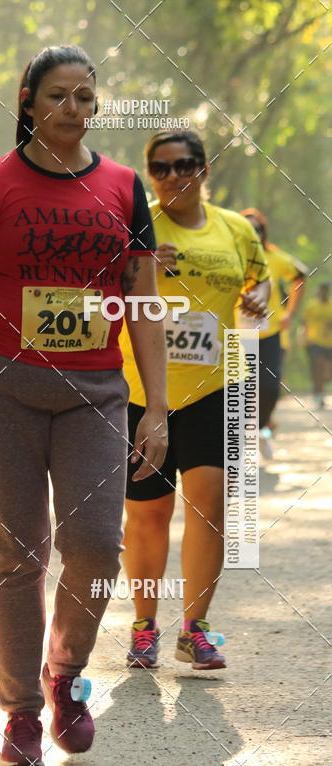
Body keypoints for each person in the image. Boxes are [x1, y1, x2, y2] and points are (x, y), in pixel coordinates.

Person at [0, 45, 168, 766]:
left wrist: (158, 409)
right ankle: (21, 714)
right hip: (1, 391)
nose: (72, 111)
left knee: (93, 545)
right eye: (57, 96)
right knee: (18, 556)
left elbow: (143, 301)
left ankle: (65, 674)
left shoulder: (122, 188)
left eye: (85, 97)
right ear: (27, 101)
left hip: (96, 393)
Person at [119, 130, 270, 671]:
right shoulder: (135, 225)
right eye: (160, 168)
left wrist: (260, 298)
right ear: (150, 174)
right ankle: (143, 626)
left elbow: (262, 284)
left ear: (204, 170)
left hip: (215, 386)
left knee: (209, 503)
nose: (173, 176)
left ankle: (195, 628)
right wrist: (140, 269)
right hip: (141, 389)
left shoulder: (234, 228)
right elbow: (94, 291)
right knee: (149, 514)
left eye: (185, 165)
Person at [240, 208, 308, 458]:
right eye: (247, 229)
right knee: (240, 390)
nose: (252, 234)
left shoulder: (275, 257)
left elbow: (300, 276)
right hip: (236, 334)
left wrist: (290, 312)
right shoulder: (229, 255)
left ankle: (260, 427)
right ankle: (241, 442)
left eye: (256, 229)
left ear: (263, 231)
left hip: (271, 333)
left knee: (268, 387)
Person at [302, 283, 332, 409]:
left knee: (328, 373)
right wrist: (303, 338)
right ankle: (319, 395)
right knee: (317, 368)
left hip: (329, 342)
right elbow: (305, 324)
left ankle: (319, 390)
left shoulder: (330, 305)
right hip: (314, 341)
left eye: (325, 291)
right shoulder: (311, 305)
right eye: (321, 290)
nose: (323, 293)